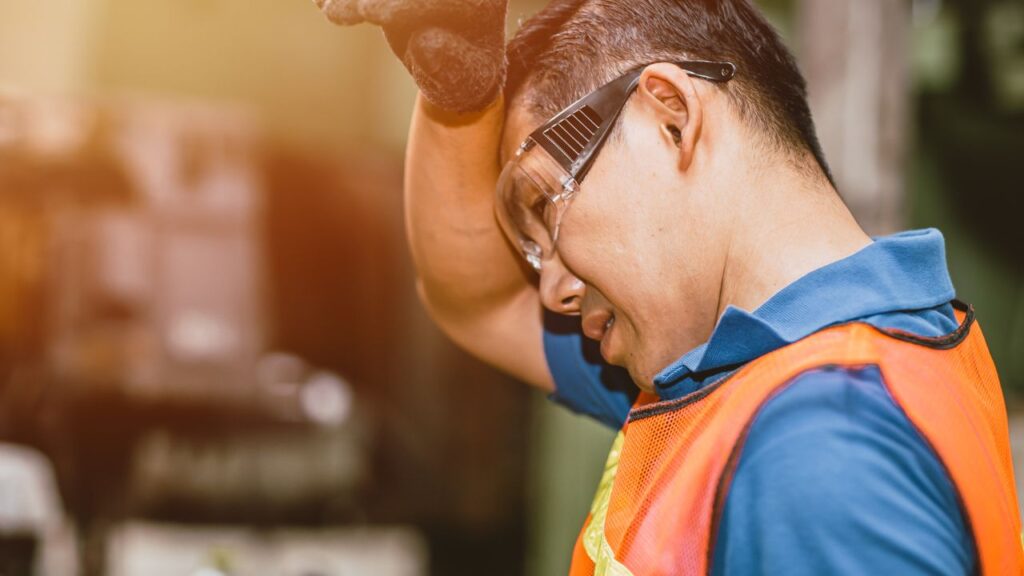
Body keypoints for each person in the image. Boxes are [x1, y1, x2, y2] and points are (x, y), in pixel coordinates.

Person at [311, 0, 1024, 574]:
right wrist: (458, 86)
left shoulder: (819, 452)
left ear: (671, 118)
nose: (553, 288)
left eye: (545, 204)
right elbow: (479, 299)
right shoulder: (739, 368)